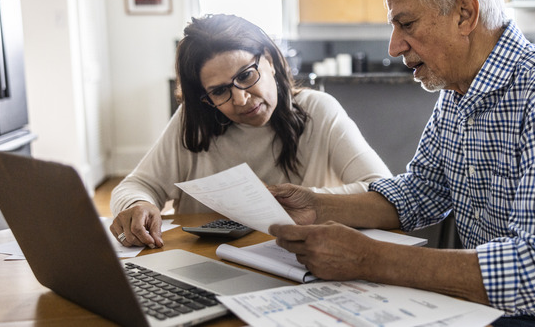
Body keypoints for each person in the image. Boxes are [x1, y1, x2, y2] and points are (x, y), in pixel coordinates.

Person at [268, 0, 535, 327]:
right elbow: (421, 192)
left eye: (406, 23)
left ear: (465, 14)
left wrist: (370, 258)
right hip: (496, 309)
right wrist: (317, 207)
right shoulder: (458, 91)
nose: (395, 46)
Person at [110, 14, 391, 249]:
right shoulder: (193, 121)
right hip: (206, 263)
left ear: (268, 59)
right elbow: (136, 186)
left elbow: (384, 191)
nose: (241, 99)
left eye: (246, 75)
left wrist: (310, 200)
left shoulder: (318, 110)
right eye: (220, 91)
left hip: (294, 259)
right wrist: (137, 204)